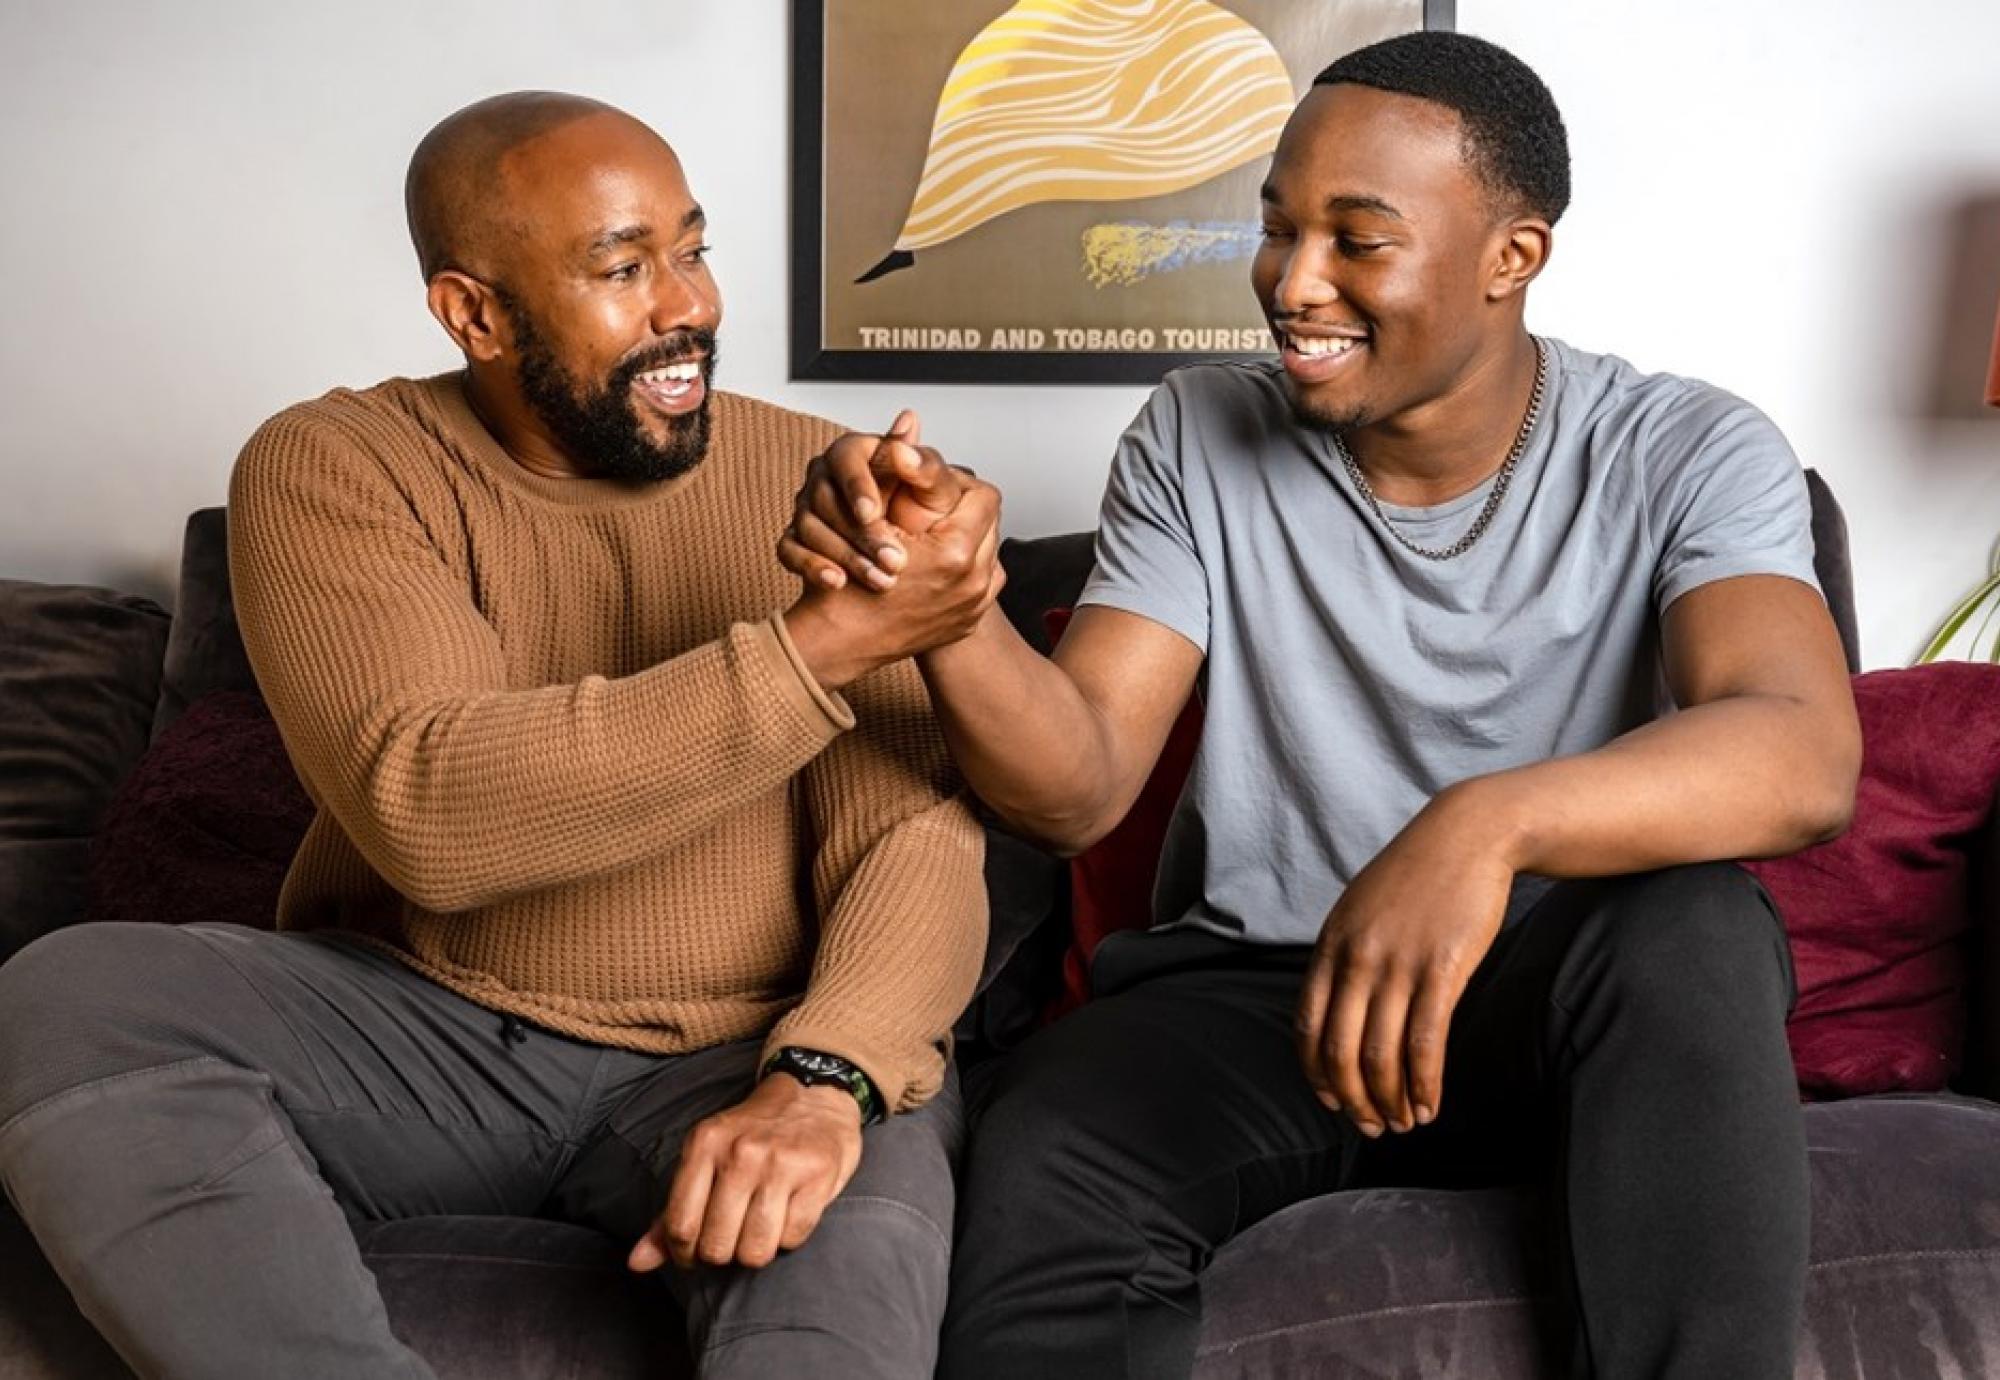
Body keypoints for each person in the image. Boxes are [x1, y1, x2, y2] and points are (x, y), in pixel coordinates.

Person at [779, 31, 1861, 1380]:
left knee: (1693, 926)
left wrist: (1484, 828)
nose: (1293, 283)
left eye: (1359, 239)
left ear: (1511, 256)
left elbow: (1804, 748)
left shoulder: (1688, 448)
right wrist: (950, 610)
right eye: (1279, 227)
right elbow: (1081, 785)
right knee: (1054, 1127)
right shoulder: (1196, 433)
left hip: (1557, 1001)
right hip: (1262, 996)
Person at [0, 92, 1002, 1380]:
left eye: (692, 249)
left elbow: (917, 838)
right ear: (473, 313)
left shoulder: (821, 474)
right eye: (622, 268)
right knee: (72, 993)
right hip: (421, 1029)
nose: (686, 304)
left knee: (838, 1297)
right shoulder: (336, 466)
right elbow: (435, 813)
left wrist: (826, 1080)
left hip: (750, 1049)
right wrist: (829, 644)